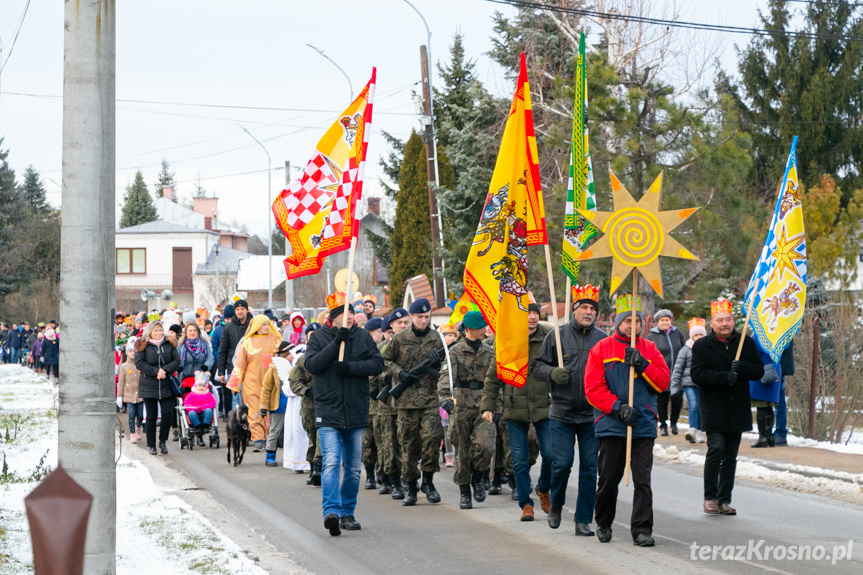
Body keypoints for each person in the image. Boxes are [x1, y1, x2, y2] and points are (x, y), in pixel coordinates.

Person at [584, 294, 670, 547]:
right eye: (627, 321)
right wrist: (617, 407)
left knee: (643, 480)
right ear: (618, 322)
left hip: (642, 423)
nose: (633, 326)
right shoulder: (601, 348)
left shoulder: (650, 349)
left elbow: (663, 382)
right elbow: (592, 387)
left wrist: (643, 365)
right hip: (612, 423)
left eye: (638, 321)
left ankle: (642, 529)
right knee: (609, 477)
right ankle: (603, 522)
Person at [304, 292, 384, 536]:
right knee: (330, 462)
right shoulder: (318, 337)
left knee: (351, 468)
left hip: (356, 410)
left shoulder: (362, 337)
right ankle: (331, 512)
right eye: (344, 313)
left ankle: (348, 512)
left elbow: (377, 365)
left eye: (352, 313)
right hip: (328, 410)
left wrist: (350, 367)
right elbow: (312, 365)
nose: (350, 317)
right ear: (334, 317)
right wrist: (335, 343)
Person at [532, 285, 606, 535]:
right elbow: (537, 367)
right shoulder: (557, 335)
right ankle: (556, 505)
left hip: (591, 415)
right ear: (574, 310)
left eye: (592, 308)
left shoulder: (602, 340)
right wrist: (552, 372)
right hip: (562, 412)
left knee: (589, 468)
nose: (588, 312)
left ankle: (583, 519)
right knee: (561, 463)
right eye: (584, 307)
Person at [690, 297, 763, 516]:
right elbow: (697, 374)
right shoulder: (702, 345)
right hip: (713, 408)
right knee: (716, 449)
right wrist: (724, 377)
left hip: (737, 408)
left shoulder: (745, 343)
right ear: (711, 323)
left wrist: (742, 368)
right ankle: (710, 497)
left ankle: (724, 500)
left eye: (728, 319)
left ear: (733, 321)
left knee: (730, 456)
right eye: (720, 320)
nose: (725, 324)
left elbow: (758, 371)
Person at [482, 303, 553, 521]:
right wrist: (488, 406)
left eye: (535, 313)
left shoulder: (550, 338)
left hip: (544, 407)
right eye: (527, 313)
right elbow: (493, 376)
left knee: (551, 455)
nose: (532, 317)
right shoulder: (508, 339)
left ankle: (543, 488)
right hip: (515, 409)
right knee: (519, 461)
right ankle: (526, 504)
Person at [382, 299, 445, 506]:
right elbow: (385, 361)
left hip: (428, 399)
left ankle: (428, 481)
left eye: (427, 317)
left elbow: (445, 370)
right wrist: (400, 374)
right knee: (408, 445)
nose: (423, 321)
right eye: (419, 317)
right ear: (411, 317)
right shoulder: (400, 338)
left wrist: (438, 362)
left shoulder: (436, 338)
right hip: (406, 401)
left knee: (432, 439)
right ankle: (410, 486)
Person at [438, 311, 494, 510]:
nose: (484, 330)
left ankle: (479, 477)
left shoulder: (489, 351)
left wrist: (497, 403)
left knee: (486, 445)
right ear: (468, 329)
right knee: (462, 450)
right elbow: (446, 377)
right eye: (480, 327)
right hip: (461, 404)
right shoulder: (455, 351)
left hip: (483, 404)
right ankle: (464, 490)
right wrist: (446, 399)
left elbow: (494, 379)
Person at [231, 314, 282, 451]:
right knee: (254, 410)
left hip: (271, 382)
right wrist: (235, 385)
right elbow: (239, 365)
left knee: (270, 410)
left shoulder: (276, 340)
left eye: (267, 324)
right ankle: (258, 439)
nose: (266, 327)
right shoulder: (247, 342)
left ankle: (270, 438)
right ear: (256, 326)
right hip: (251, 382)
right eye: (263, 325)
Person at [375, 309, 410, 499]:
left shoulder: (414, 343)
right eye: (399, 323)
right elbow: (375, 370)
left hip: (409, 401)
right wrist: (393, 376)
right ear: (392, 326)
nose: (403, 326)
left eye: (406, 323)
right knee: (390, 444)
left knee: (409, 442)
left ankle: (409, 478)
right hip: (388, 402)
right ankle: (394, 480)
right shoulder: (383, 347)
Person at [135, 320, 180, 455]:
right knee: (151, 416)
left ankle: (163, 441)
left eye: (160, 330)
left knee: (167, 414)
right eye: (155, 330)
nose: (158, 333)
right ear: (150, 331)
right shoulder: (143, 345)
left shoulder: (169, 343)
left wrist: (165, 370)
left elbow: (176, 361)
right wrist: (155, 371)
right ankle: (152, 445)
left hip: (166, 384)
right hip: (149, 385)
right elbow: (139, 363)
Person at [289, 322, 322, 485]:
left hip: (327, 404)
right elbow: (293, 381)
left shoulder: (329, 357)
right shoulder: (302, 360)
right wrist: (306, 391)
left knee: (323, 436)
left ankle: (319, 467)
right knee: (312, 436)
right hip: (309, 406)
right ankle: (312, 465)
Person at [646, 309, 687, 436]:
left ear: (671, 321)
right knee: (662, 400)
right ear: (658, 322)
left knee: (677, 399)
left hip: (677, 373)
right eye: (662, 320)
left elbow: (684, 347)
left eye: (667, 320)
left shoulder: (677, 333)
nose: (665, 322)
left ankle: (674, 423)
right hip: (661, 373)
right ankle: (663, 424)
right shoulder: (652, 336)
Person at [261, 341, 301, 468]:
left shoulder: (295, 366)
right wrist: (263, 406)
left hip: (293, 404)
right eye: (290, 353)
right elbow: (266, 388)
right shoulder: (274, 368)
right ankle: (270, 455)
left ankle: (294, 456)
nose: (293, 355)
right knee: (275, 430)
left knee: (293, 431)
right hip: (278, 405)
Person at [670, 318, 707, 443]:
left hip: (703, 383)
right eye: (696, 334)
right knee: (693, 404)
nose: (698, 337)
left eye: (701, 334)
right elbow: (678, 368)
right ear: (692, 336)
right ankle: (692, 428)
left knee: (702, 406)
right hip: (689, 383)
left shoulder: (708, 348)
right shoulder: (685, 349)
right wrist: (674, 386)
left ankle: (699, 430)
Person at [216, 299, 252, 412]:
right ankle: (236, 425)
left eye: (242, 309)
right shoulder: (228, 327)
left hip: (251, 367)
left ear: (247, 310)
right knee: (235, 399)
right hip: (234, 369)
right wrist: (221, 371)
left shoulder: (253, 325)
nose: (240, 311)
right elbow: (223, 350)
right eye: (237, 309)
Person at [750, 347, 781, 448]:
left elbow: (753, 351)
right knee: (769, 405)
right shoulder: (776, 334)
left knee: (761, 405)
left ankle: (763, 437)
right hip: (774, 369)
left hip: (763, 369)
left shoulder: (760, 334)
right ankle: (769, 436)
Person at [117, 342, 143, 443]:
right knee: (131, 413)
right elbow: (121, 382)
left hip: (140, 394)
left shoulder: (140, 364)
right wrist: (119, 396)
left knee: (140, 414)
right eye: (130, 351)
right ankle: (132, 433)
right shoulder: (124, 366)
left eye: (134, 351)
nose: (132, 353)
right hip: (129, 394)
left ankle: (138, 428)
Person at [178, 322, 214, 394]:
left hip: (201, 378)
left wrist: (206, 366)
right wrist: (178, 367)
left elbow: (210, 358)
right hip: (185, 378)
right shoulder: (181, 345)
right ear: (186, 332)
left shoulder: (204, 344)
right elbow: (176, 359)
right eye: (190, 330)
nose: (192, 332)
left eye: (195, 330)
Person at [183, 374, 217, 445]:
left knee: (209, 410)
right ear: (196, 386)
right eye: (199, 386)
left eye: (203, 386)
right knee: (191, 413)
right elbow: (186, 404)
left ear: (206, 387)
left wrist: (205, 406)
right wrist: (194, 408)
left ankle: (205, 425)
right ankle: (197, 426)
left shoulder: (209, 394)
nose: (201, 387)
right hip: (195, 412)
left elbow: (213, 403)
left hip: (204, 412)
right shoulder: (191, 395)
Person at [774, 342, 794, 446]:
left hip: (778, 364)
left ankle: (780, 433)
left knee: (778, 398)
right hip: (776, 363)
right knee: (777, 398)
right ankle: (776, 433)